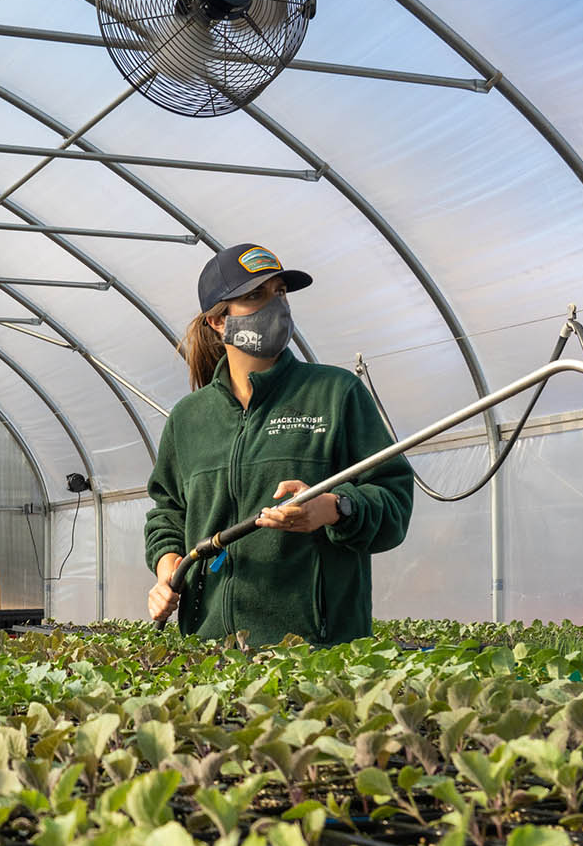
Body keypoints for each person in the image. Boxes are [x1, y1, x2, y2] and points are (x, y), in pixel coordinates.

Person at [144, 243, 414, 646]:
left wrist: (334, 508)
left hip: (319, 651)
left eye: (280, 292)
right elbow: (168, 512)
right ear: (218, 321)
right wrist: (168, 566)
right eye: (255, 296)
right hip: (212, 652)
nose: (275, 305)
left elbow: (394, 503)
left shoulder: (335, 395)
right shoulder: (189, 419)